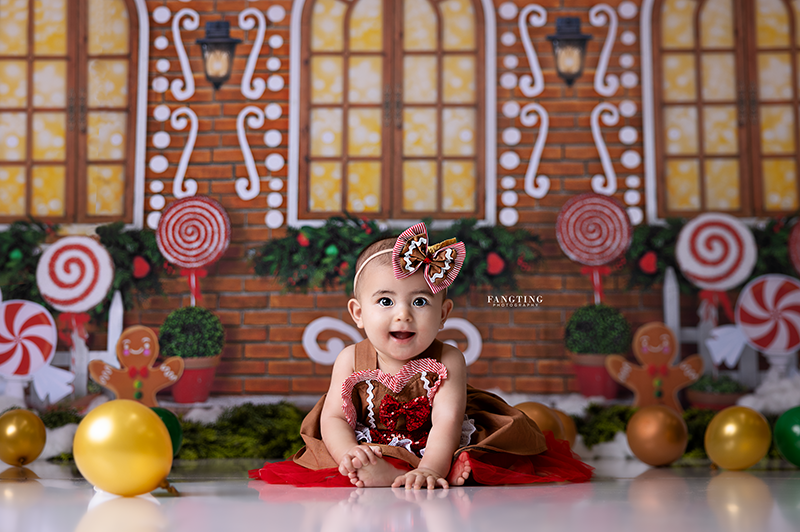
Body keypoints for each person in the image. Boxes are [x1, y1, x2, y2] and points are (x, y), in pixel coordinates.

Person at [250, 223, 593, 489]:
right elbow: (336, 420)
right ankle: (379, 468)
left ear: (443, 314)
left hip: (437, 440)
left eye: (419, 302)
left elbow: (446, 423)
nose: (403, 315)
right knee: (333, 452)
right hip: (374, 440)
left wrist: (431, 466)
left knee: (490, 448)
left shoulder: (448, 360)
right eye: (386, 301)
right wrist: (348, 453)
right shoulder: (351, 359)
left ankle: (450, 467)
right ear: (358, 313)